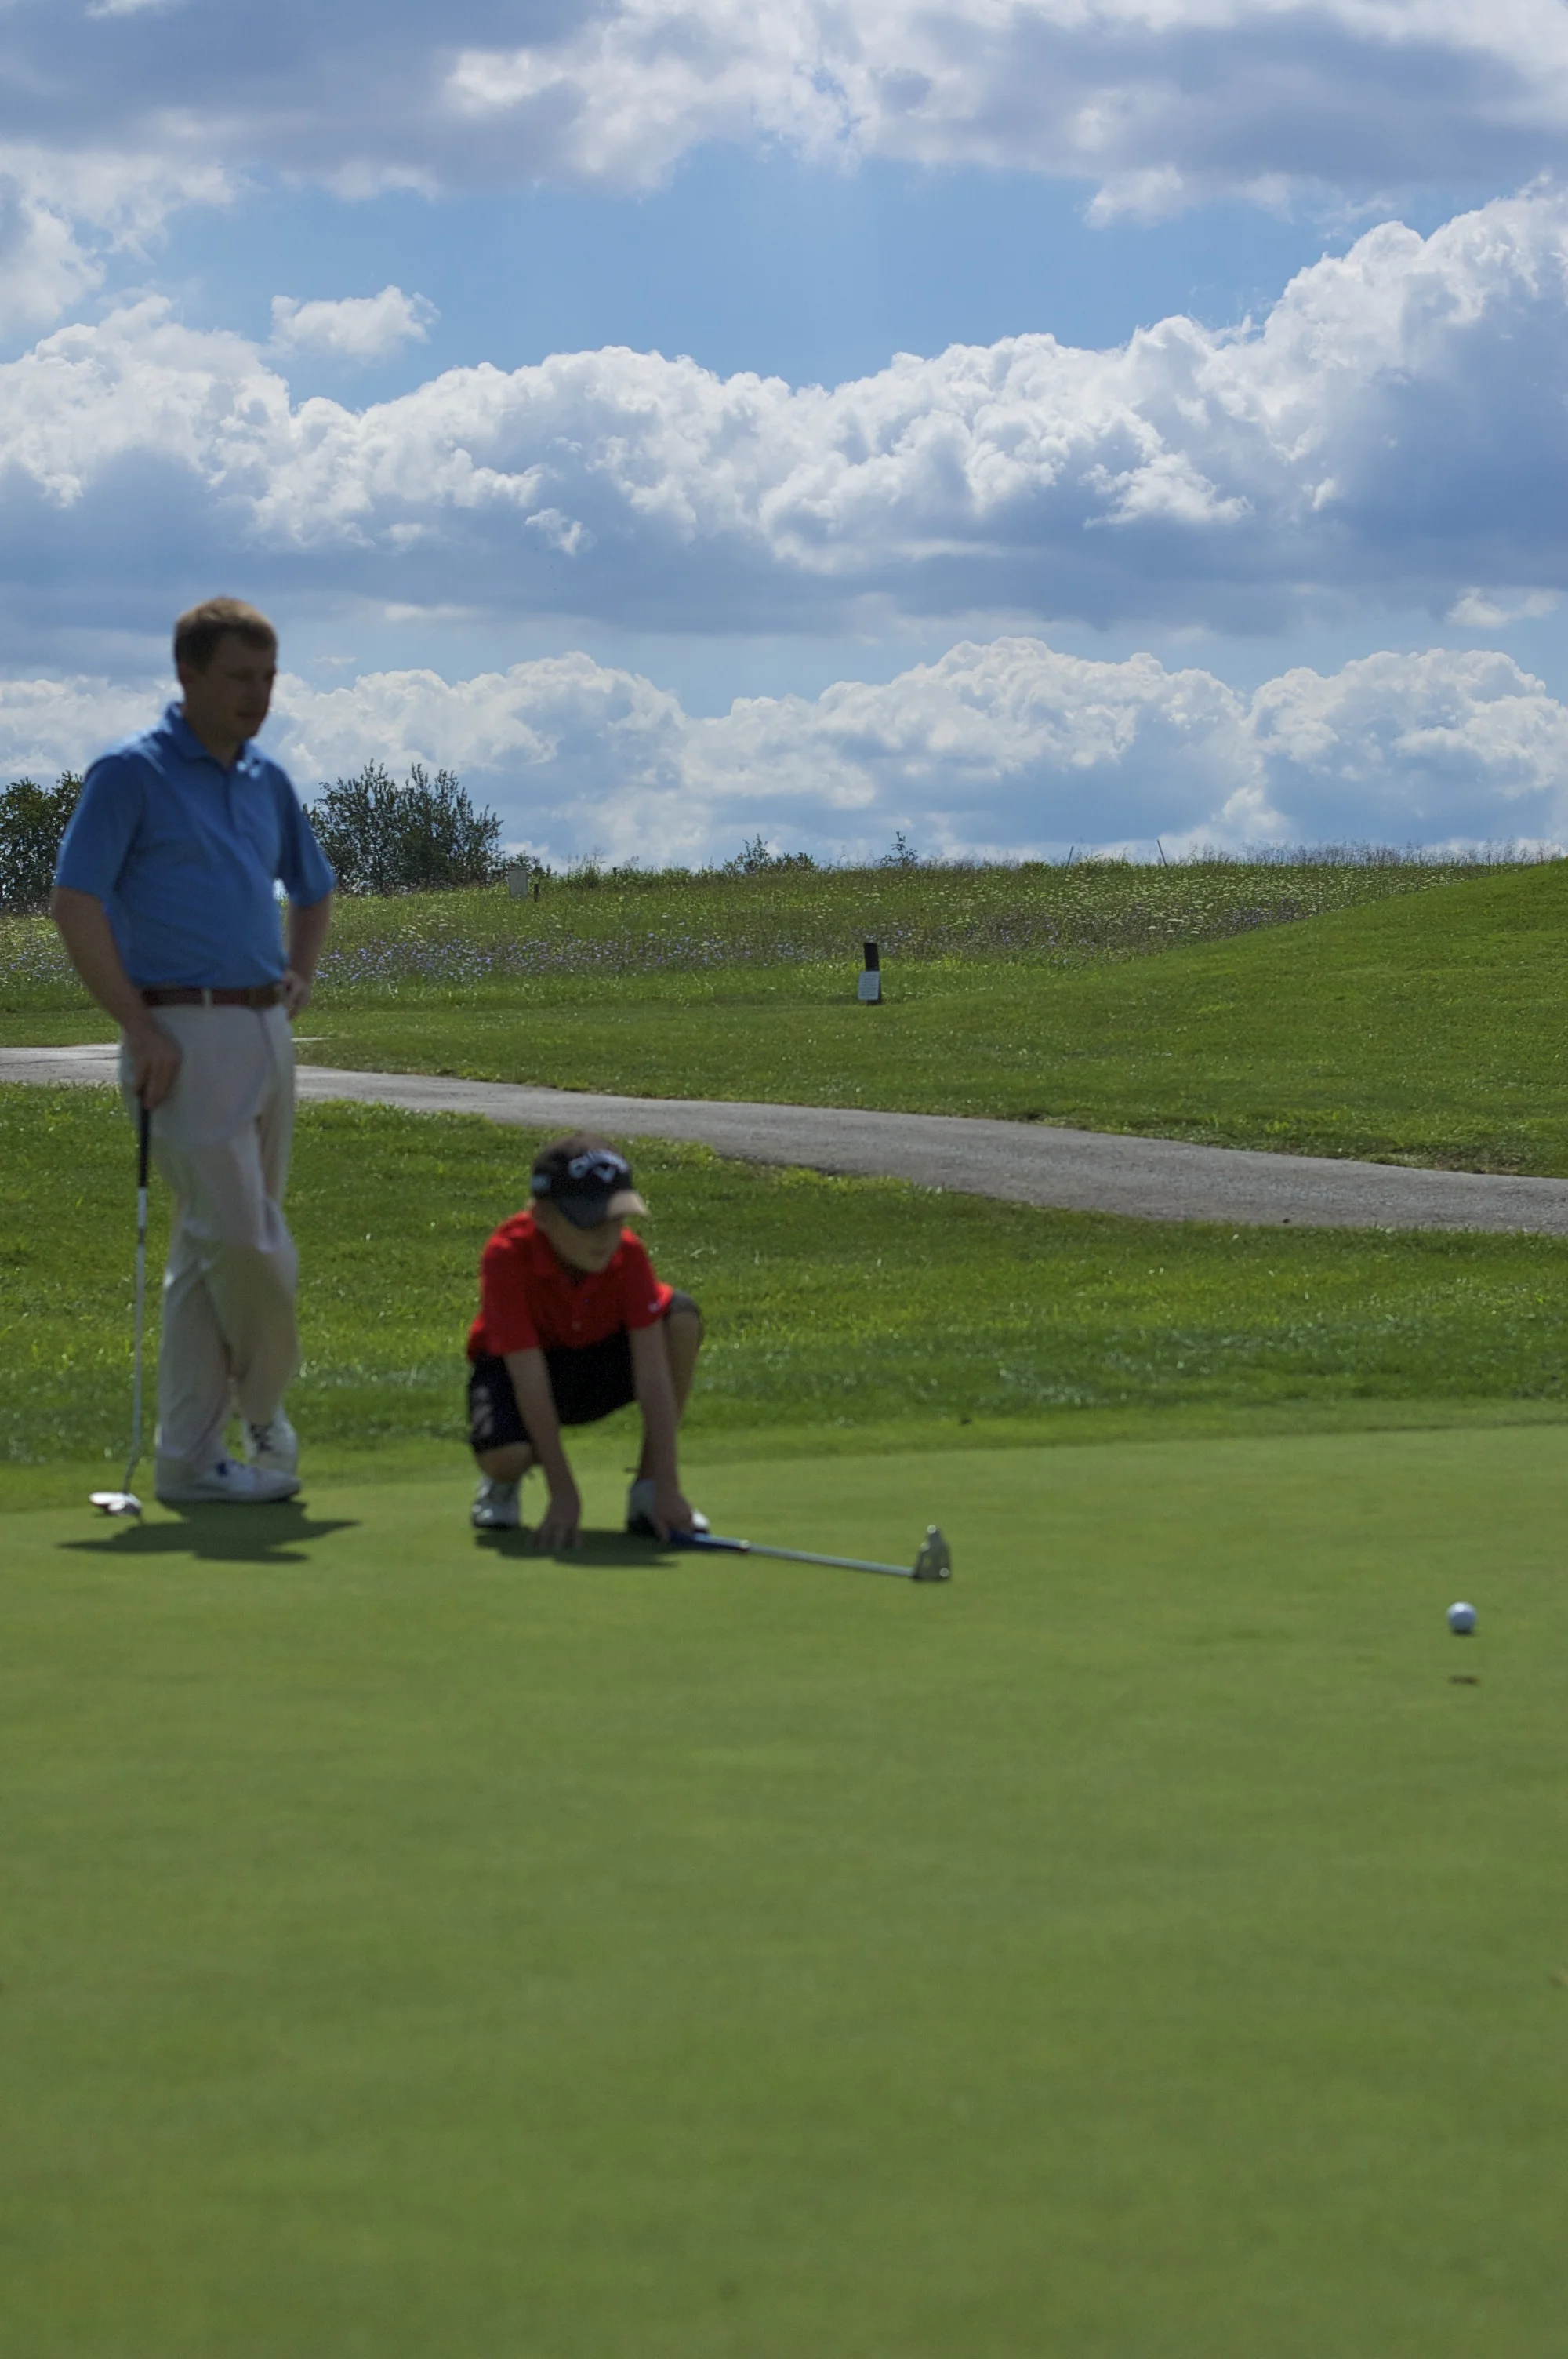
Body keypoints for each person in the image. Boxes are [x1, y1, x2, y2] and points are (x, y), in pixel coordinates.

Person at [50, 597, 336, 1506]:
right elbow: (74, 901)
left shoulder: (266, 778)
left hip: (264, 1027)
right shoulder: (130, 773)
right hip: (178, 1031)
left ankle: (188, 1458)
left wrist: (299, 972)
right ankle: (265, 1407)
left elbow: (313, 887)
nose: (258, 695)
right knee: (245, 1242)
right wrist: (135, 1025)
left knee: (209, 1256)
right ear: (188, 675)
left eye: (269, 677)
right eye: (239, 677)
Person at [466, 1132, 706, 1543]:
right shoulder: (506, 1255)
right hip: (518, 1373)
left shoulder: (628, 1254)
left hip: (595, 1363)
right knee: (507, 1458)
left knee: (681, 1317)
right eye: (589, 1221)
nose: (606, 1237)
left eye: (617, 1220)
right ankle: (503, 1483)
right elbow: (528, 1377)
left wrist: (668, 1487)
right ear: (542, 1215)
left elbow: (653, 1379)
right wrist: (562, 1493)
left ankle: (647, 1490)